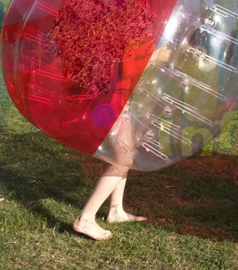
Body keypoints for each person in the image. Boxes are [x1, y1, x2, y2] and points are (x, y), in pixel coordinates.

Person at [73, 45, 173, 241]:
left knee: (125, 154)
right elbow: (124, 66)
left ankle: (116, 210)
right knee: (124, 159)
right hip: (109, 104)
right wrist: (154, 57)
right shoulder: (130, 35)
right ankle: (85, 218)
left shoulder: (138, 33)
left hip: (117, 102)